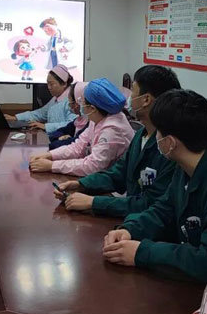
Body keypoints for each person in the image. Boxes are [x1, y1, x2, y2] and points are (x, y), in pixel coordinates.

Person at [102, 89, 207, 287]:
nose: (154, 137)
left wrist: (142, 252)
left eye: (158, 132)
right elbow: (164, 210)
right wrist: (130, 230)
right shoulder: (185, 167)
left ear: (170, 142)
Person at [54, 65, 180, 217]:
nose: (129, 97)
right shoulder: (141, 135)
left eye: (133, 90)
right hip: (132, 220)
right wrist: (81, 185)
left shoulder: (169, 148)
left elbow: (150, 204)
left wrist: (94, 203)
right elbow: (118, 173)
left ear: (146, 99)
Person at [29, 78, 133, 176]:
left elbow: (93, 166)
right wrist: (49, 155)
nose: (80, 105)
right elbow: (78, 147)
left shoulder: (112, 130)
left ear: (93, 108)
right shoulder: (97, 119)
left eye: (82, 102)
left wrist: (52, 166)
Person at [5, 64, 76, 135]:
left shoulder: (72, 100)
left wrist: (45, 126)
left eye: (51, 84)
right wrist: (15, 118)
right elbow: (40, 114)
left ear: (64, 84)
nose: (48, 87)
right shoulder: (55, 98)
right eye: (48, 84)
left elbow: (72, 124)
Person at [47, 82, 89, 150]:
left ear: (78, 103)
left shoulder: (89, 125)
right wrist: (60, 137)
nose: (70, 106)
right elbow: (54, 135)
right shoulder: (78, 121)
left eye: (70, 103)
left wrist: (66, 140)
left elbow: (56, 145)